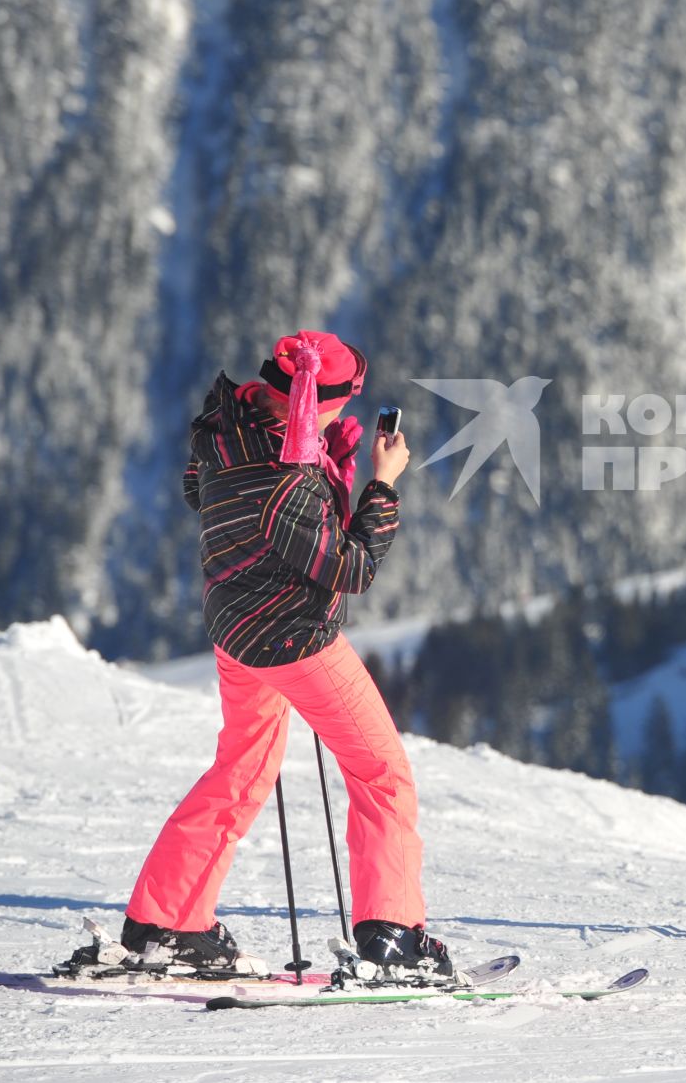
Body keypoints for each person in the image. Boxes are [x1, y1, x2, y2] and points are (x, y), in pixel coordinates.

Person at [117, 329, 451, 980]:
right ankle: (392, 937)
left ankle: (167, 920)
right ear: (318, 399)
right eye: (344, 399)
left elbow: (202, 492)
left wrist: (324, 462)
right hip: (293, 635)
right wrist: (380, 487)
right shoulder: (288, 480)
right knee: (382, 773)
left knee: (241, 771)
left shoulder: (225, 424)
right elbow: (348, 567)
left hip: (234, 629)